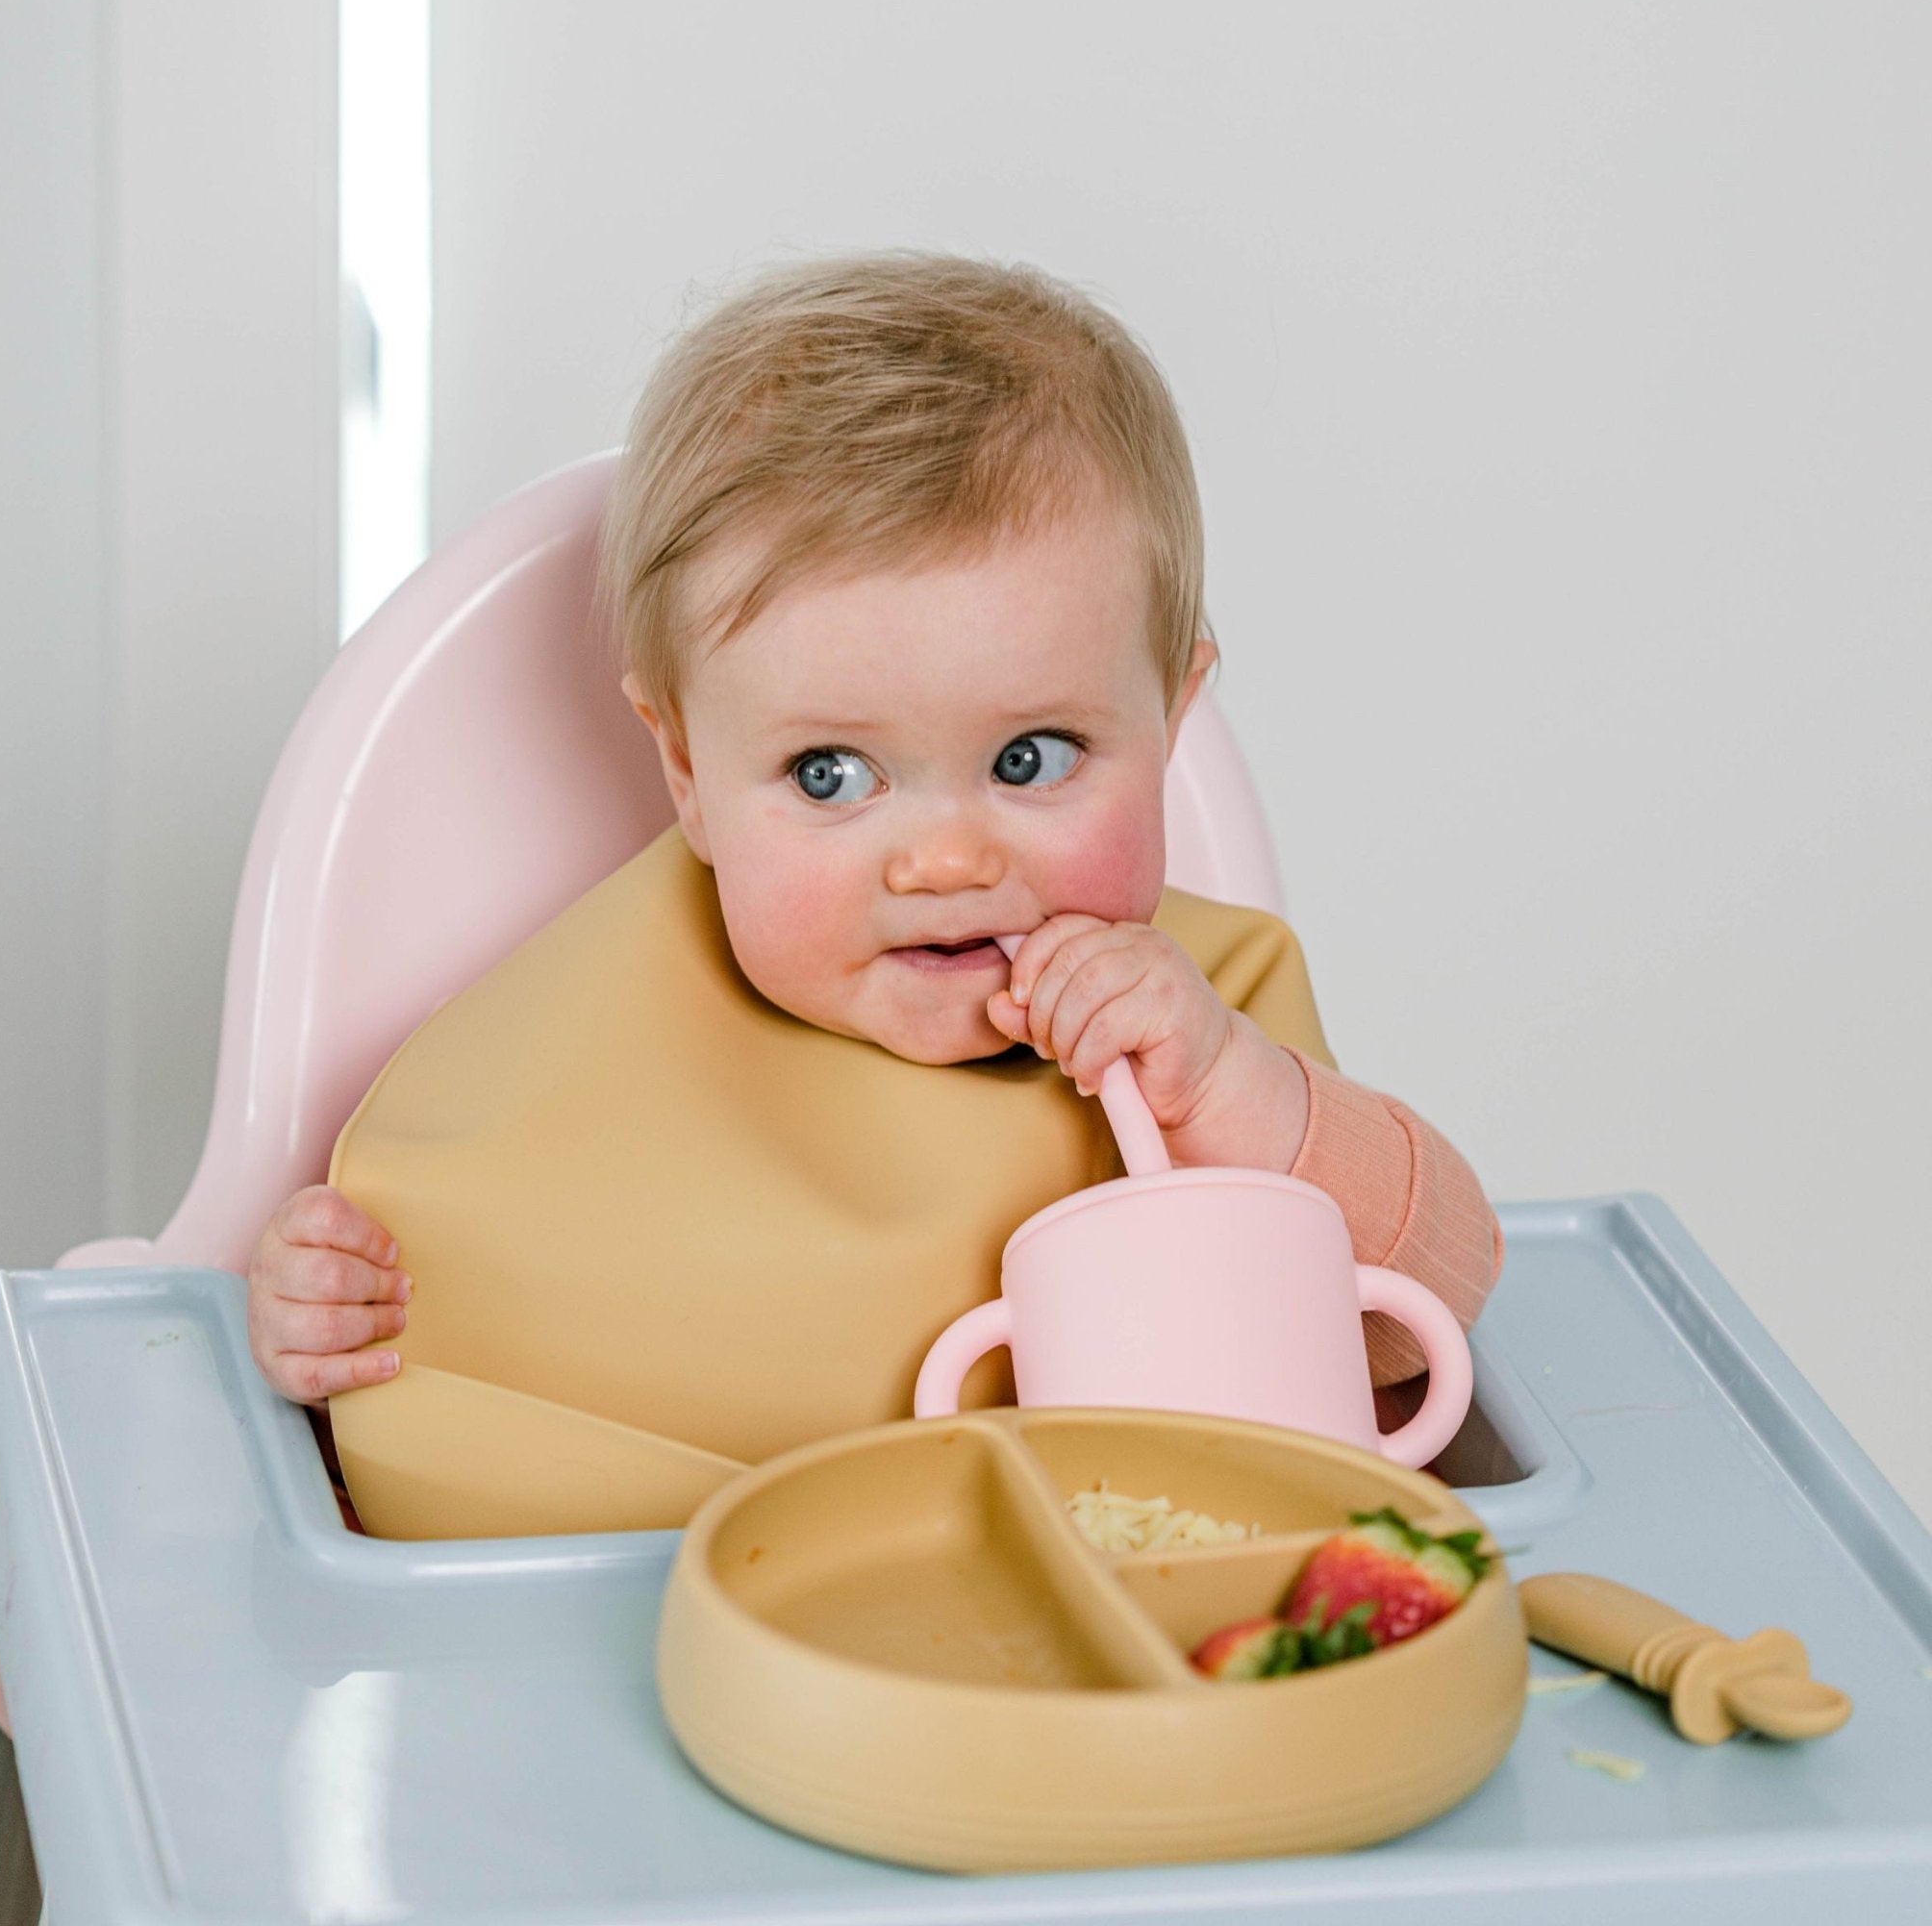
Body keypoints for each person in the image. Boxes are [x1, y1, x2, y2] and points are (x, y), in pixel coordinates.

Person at [244, 254, 1503, 1506]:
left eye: (1030, 758)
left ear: (1169, 719)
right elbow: (432, 1413)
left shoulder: (1204, 1007)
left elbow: (1427, 1306)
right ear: (685, 766)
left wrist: (1235, 1089)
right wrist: (321, 1321)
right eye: (832, 776)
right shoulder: (592, 1033)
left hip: (1124, 1650)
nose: (946, 861)